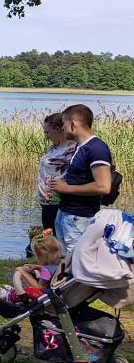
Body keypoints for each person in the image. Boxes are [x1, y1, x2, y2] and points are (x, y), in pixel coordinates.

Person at [47, 104, 114, 256]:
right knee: (67, 260)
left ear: (73, 124)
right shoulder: (80, 147)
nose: (63, 129)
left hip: (80, 217)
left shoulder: (96, 148)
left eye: (64, 124)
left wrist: (66, 188)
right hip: (66, 213)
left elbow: (103, 187)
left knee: (79, 260)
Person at [32, 113, 76, 253]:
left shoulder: (72, 149)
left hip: (58, 200)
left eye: (48, 132)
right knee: (49, 234)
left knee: (57, 238)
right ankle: (50, 267)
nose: (46, 136)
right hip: (46, 200)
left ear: (58, 129)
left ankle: (57, 268)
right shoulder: (52, 148)